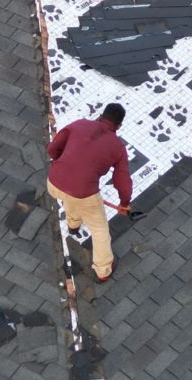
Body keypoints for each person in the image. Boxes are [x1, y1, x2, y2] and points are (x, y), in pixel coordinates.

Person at [47, 103, 132, 283]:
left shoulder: (79, 125)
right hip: (82, 193)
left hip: (54, 183)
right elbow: (122, 181)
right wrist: (124, 203)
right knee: (100, 230)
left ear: (102, 115)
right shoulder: (117, 148)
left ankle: (73, 223)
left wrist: (62, 164)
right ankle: (103, 270)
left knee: (71, 195)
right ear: (119, 126)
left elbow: (52, 149)